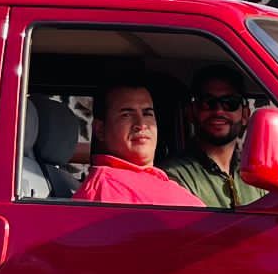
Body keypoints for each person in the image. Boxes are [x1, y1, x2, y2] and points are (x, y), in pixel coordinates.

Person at [74, 81, 205, 207]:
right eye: (126, 114)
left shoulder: (164, 181)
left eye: (147, 114)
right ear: (100, 130)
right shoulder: (103, 190)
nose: (141, 124)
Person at [164, 66, 266, 209]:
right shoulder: (172, 176)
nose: (218, 111)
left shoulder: (259, 174)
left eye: (230, 103)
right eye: (208, 102)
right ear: (191, 112)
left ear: (245, 115)